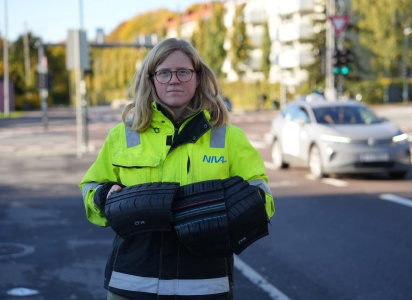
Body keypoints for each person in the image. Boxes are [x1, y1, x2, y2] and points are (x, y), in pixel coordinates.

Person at [79, 38, 275, 300]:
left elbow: (262, 196)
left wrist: (230, 209)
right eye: (164, 73)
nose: (174, 79)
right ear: (151, 79)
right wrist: (105, 197)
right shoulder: (122, 135)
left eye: (183, 71)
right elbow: (90, 187)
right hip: (133, 283)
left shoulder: (229, 138)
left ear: (197, 77)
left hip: (205, 286)